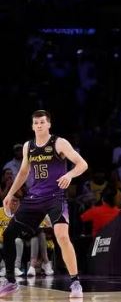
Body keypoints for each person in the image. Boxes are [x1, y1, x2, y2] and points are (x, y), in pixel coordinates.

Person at [0, 110, 89, 297]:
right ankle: (10, 281)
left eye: (42, 122)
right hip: (34, 198)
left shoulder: (59, 143)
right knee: (8, 234)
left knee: (62, 236)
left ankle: (75, 282)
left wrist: (69, 175)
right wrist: (10, 193)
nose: (39, 125)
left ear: (49, 124)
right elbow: (23, 173)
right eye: (36, 123)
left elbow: (82, 164)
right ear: (32, 126)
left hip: (55, 197)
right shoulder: (28, 146)